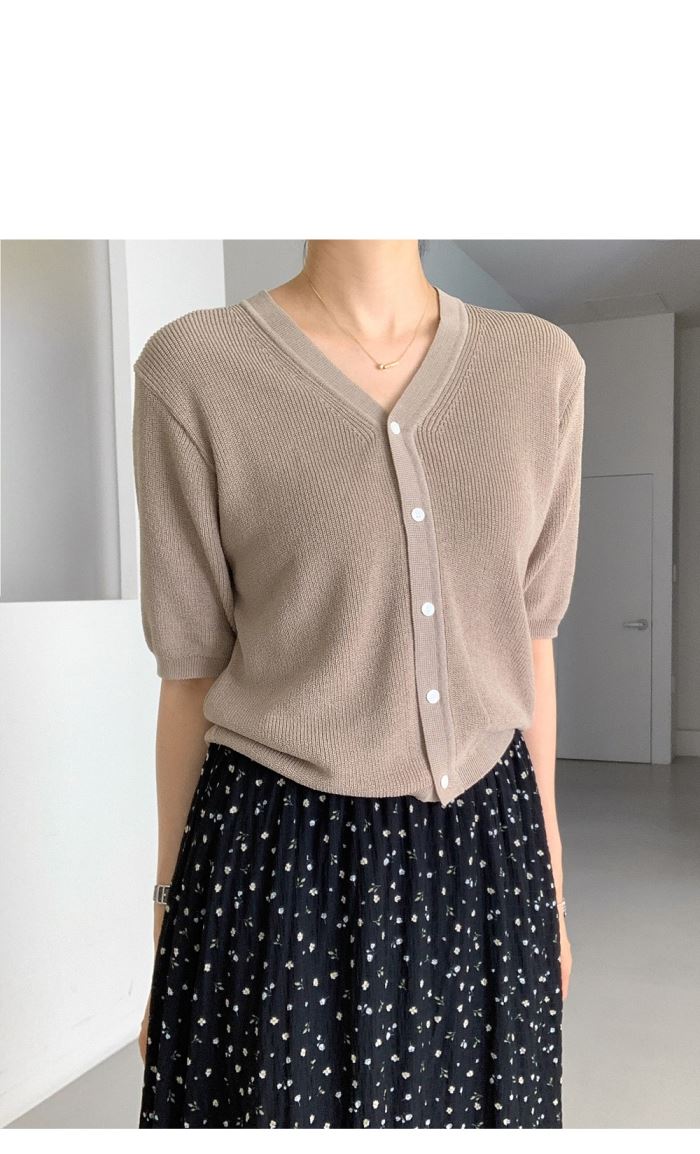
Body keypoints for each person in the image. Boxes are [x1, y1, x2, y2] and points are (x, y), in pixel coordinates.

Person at [132, 239, 583, 1129]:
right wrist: (169, 911)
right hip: (275, 862)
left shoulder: (542, 368)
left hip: (489, 856)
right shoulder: (194, 368)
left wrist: (554, 890)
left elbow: (532, 650)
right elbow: (190, 676)